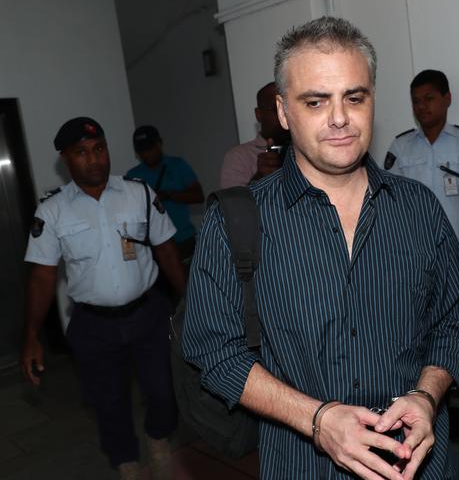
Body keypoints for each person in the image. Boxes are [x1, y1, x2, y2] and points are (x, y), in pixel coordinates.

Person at [183, 17, 459, 480]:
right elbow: (214, 350)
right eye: (315, 101)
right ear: (282, 112)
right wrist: (317, 420)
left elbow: (454, 314)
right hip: (304, 465)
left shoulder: (418, 207)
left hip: (417, 466)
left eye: (354, 98)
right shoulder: (237, 221)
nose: (339, 118)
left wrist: (426, 394)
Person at [21, 117, 187, 480]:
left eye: (99, 149)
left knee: (164, 391)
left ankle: (158, 440)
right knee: (108, 402)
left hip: (148, 314)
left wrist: (191, 302)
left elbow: (167, 252)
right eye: (82, 153)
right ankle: (127, 462)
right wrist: (32, 336)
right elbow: (42, 276)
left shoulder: (138, 193)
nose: (94, 159)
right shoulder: (52, 211)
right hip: (94, 325)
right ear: (66, 159)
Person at [384, 69, 459, 442]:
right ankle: (424, 405)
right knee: (420, 333)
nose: (422, 107)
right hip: (415, 258)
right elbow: (387, 204)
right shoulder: (401, 147)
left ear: (447, 98)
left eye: (429, 98)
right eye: (416, 100)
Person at [127, 125, 204, 261]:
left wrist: (168, 195)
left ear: (159, 143)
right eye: (141, 151)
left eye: (149, 148)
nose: (146, 154)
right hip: (152, 247)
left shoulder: (178, 165)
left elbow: (198, 196)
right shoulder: (132, 176)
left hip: (183, 241)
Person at [219, 81, 291, 188]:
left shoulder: (307, 148)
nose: (283, 115)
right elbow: (233, 203)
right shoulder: (238, 157)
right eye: (276, 109)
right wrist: (258, 178)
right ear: (259, 114)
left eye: (287, 108)